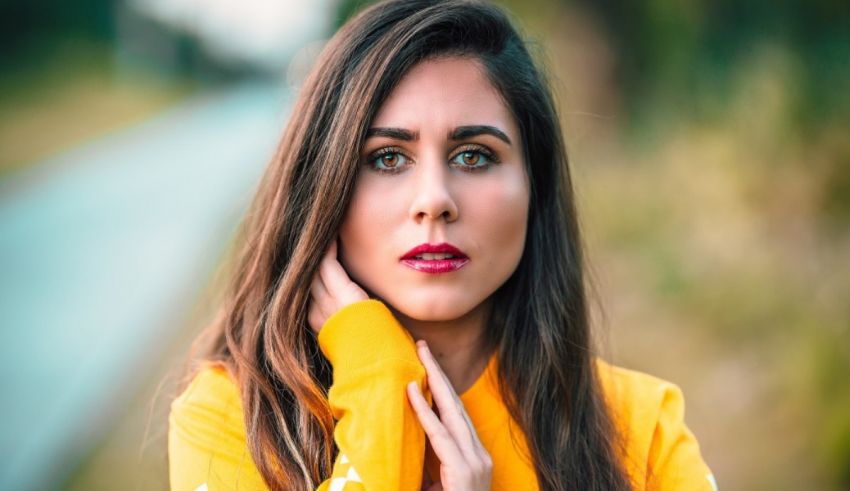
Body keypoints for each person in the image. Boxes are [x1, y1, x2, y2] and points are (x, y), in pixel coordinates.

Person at [167, 1, 717, 490]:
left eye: (473, 155)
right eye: (387, 158)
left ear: (534, 184)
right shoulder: (232, 421)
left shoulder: (641, 432)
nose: (434, 200)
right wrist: (378, 381)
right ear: (322, 187)